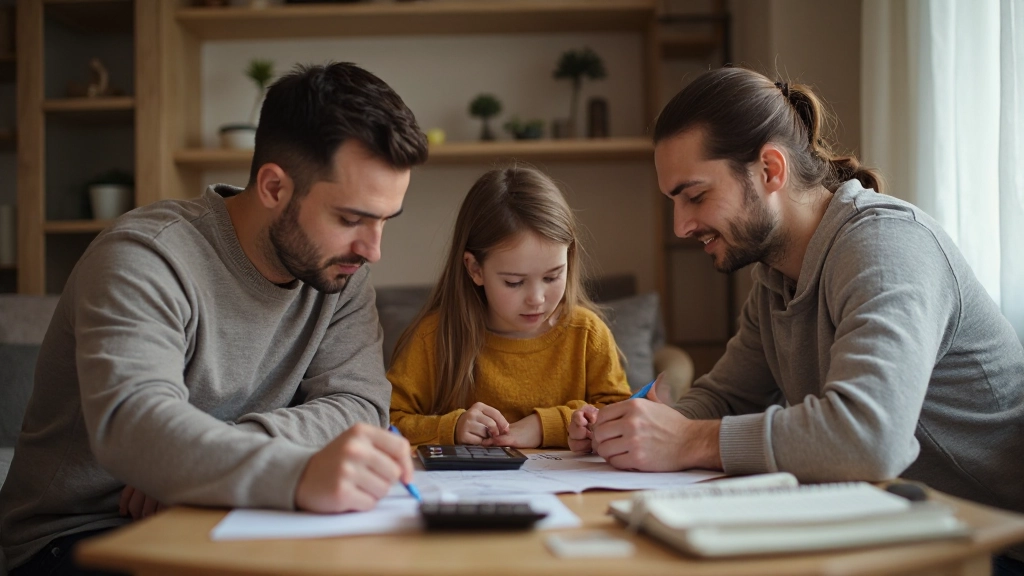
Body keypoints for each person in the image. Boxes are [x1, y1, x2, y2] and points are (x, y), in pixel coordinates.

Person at [582, 65, 1024, 568]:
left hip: (992, 548)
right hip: (894, 532)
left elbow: (867, 438)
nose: (682, 225)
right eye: (674, 203)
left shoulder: (885, 247)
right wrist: (636, 430)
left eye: (696, 196)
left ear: (770, 170)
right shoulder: (776, 275)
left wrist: (685, 440)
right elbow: (727, 395)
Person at [0, 62, 429, 575]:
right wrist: (295, 471)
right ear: (274, 187)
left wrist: (198, 469)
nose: (373, 249)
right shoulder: (146, 257)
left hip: (236, 513)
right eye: (350, 218)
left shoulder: (340, 273)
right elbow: (134, 427)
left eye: (384, 220)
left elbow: (359, 405)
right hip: (84, 534)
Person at [387, 165, 632, 448]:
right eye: (514, 282)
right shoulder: (434, 338)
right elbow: (385, 420)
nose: (537, 298)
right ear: (475, 268)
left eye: (552, 276)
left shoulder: (587, 334)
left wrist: (545, 426)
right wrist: (450, 428)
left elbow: (620, 414)